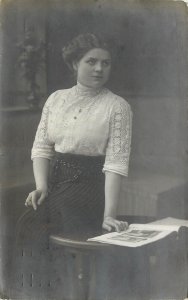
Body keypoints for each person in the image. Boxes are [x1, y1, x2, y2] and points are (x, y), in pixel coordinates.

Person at [12, 33, 133, 300]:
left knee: (46, 225)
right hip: (56, 186)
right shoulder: (56, 99)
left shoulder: (117, 107)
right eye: (91, 61)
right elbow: (41, 147)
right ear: (74, 64)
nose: (100, 68)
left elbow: (115, 164)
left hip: (91, 191)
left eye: (106, 62)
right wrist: (41, 186)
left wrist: (109, 214)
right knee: (28, 222)